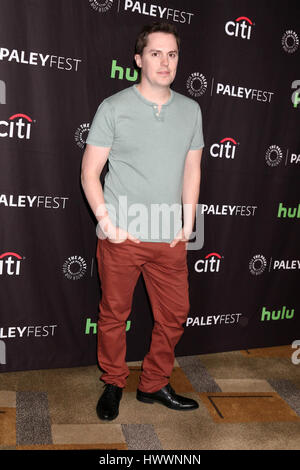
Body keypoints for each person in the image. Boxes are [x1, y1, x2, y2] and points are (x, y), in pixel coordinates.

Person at [81, 21, 204, 421]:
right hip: (123, 235)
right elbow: (90, 172)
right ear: (138, 59)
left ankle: (153, 383)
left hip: (170, 238)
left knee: (174, 315)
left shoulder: (191, 110)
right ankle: (114, 382)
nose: (165, 62)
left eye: (172, 54)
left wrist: (188, 224)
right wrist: (109, 225)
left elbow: (192, 170)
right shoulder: (113, 108)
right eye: (155, 53)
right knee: (114, 315)